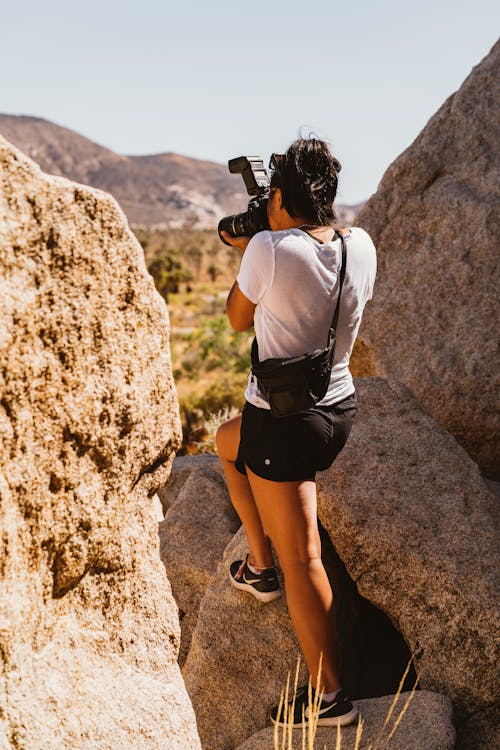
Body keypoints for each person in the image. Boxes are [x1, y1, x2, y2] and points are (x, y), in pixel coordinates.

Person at [216, 137, 376, 728]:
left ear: (278, 196)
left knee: (304, 555)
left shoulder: (268, 248)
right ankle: (259, 567)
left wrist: (249, 248)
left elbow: (237, 319)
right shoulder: (360, 244)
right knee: (227, 441)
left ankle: (331, 698)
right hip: (336, 410)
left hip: (283, 423)